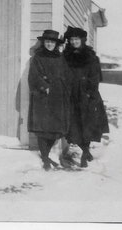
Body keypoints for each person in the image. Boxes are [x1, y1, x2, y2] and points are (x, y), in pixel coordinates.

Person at [63, 26, 109, 168]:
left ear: (82, 40)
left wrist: (89, 93)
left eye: (76, 39)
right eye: (71, 39)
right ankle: (85, 150)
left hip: (87, 95)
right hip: (71, 95)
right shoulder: (66, 56)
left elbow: (95, 77)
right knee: (74, 126)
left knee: (87, 125)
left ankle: (84, 154)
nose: (74, 42)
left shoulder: (91, 57)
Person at [28, 30, 72, 171]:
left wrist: (65, 89)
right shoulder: (38, 57)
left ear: (56, 44)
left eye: (52, 42)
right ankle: (45, 158)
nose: (49, 44)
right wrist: (44, 86)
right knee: (42, 128)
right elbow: (33, 76)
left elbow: (66, 74)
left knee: (55, 128)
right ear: (43, 43)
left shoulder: (60, 57)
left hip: (58, 96)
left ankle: (46, 155)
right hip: (42, 96)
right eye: (47, 42)